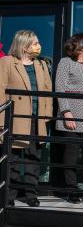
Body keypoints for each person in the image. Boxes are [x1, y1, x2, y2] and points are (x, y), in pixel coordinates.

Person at [0, 30, 52, 207]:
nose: (38, 46)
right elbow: (0, 90)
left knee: (33, 158)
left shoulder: (41, 64)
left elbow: (47, 91)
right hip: (14, 117)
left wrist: (47, 116)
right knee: (12, 159)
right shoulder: (7, 62)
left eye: (38, 43)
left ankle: (31, 194)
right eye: (35, 43)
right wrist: (1, 121)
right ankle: (9, 195)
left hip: (37, 119)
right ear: (24, 44)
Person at [55, 33, 83, 204]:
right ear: (81, 46)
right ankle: (71, 190)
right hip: (72, 114)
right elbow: (60, 88)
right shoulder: (65, 62)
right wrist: (66, 112)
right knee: (71, 152)